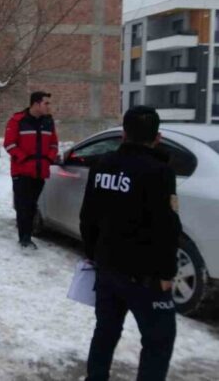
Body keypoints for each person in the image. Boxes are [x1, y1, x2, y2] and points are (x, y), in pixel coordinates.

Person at [80, 106, 181, 381]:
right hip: (145, 276)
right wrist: (166, 273)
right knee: (159, 341)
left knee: (105, 331)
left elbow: (88, 216)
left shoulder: (102, 164)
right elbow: (167, 228)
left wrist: (93, 255)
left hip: (107, 268)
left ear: (124, 134)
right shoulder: (160, 172)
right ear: (157, 138)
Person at [3, 91, 58, 249]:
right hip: (21, 172)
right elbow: (9, 144)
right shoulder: (18, 120)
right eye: (46, 103)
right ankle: (24, 238)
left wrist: (48, 159)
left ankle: (27, 235)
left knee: (32, 205)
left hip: (40, 171)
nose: (49, 107)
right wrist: (25, 159)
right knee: (23, 206)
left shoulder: (48, 121)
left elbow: (54, 144)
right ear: (36, 104)